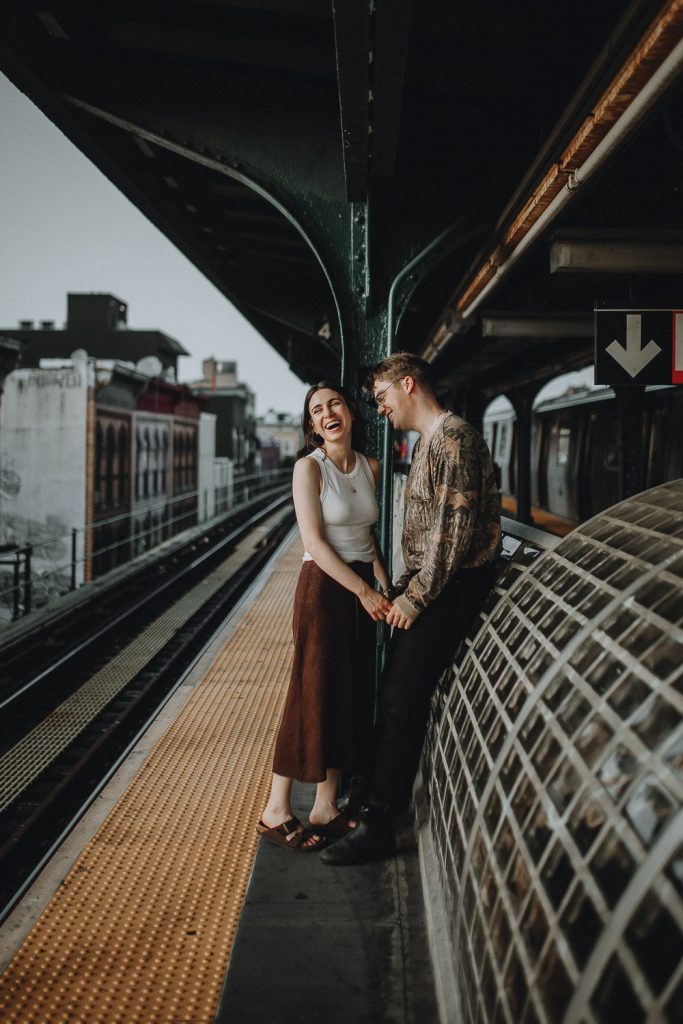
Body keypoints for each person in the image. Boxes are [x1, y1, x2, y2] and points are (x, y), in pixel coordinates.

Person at [321, 352, 501, 865]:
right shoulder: (429, 442)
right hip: (433, 584)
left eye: (381, 399)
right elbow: (428, 541)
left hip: (454, 587)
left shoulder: (455, 439)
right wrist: (399, 588)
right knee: (394, 692)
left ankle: (380, 823)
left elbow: (453, 537)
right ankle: (371, 803)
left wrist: (414, 601)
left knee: (403, 697)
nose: (379, 410)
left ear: (407, 385)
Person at [257, 381, 393, 850]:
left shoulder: (372, 466)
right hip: (324, 588)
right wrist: (363, 591)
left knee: (346, 693)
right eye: (317, 410)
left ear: (352, 412)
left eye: (334, 403)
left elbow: (367, 535)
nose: (327, 412)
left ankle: (324, 806)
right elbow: (314, 543)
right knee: (309, 691)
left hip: (359, 588)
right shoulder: (308, 469)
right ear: (313, 426)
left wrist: (382, 578)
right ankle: (276, 810)